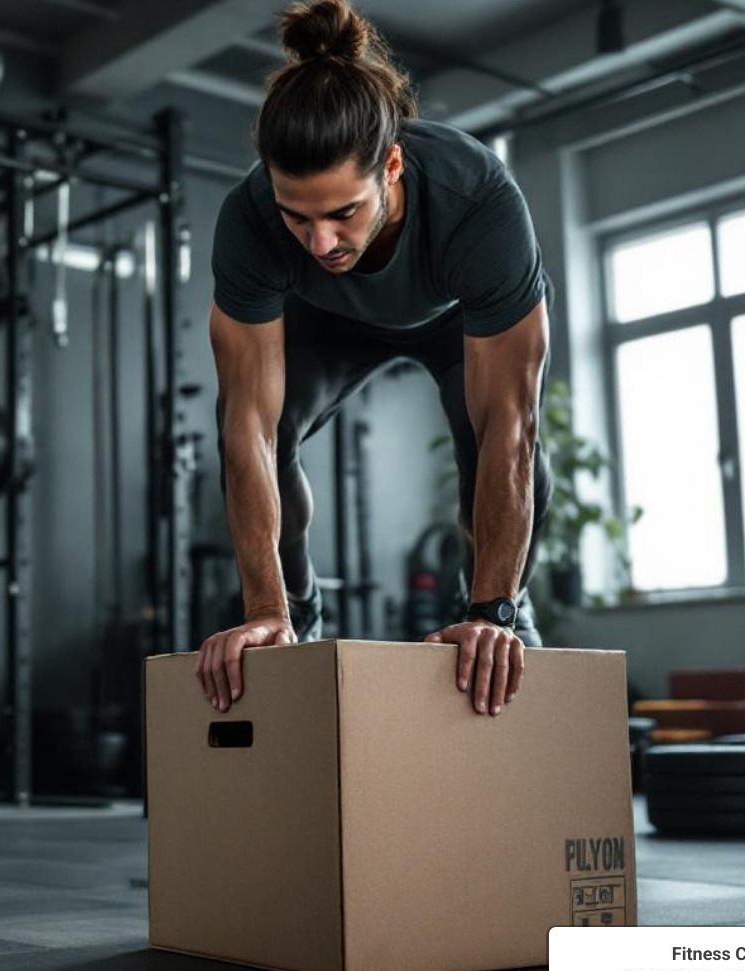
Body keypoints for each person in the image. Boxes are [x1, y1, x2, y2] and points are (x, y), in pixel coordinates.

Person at [195, 0, 553, 720]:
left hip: (454, 320)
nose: (320, 242)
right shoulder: (250, 222)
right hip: (328, 322)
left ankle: (499, 611)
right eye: (299, 215)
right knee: (273, 430)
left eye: (343, 213)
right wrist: (261, 604)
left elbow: (510, 427)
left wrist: (493, 610)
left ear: (391, 166)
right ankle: (295, 609)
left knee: (494, 445)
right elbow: (248, 430)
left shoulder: (477, 201)